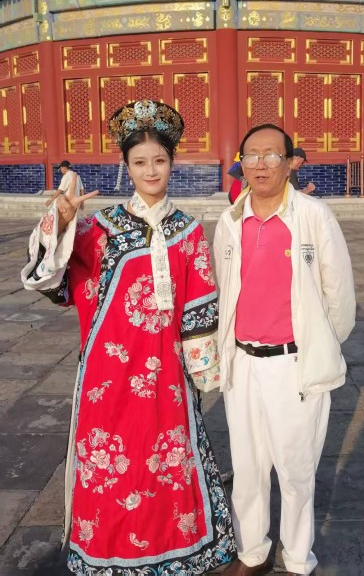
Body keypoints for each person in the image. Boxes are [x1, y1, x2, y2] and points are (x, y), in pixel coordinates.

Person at [21, 100, 236, 575]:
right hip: (108, 374)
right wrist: (61, 220)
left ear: (172, 163)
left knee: (166, 457)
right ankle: (106, 554)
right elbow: (51, 282)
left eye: (159, 160)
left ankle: (177, 548)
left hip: (167, 372)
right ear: (126, 166)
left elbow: (199, 306)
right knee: (111, 463)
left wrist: (204, 371)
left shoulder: (188, 232)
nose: (151, 170)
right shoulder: (100, 229)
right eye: (140, 162)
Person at [213, 123, 356, 576]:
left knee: (296, 472)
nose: (261, 164)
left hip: (293, 363)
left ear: (290, 162)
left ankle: (297, 559)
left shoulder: (313, 216)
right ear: (241, 164)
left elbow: (340, 297)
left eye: (271, 155)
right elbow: (224, 290)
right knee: (248, 468)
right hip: (243, 363)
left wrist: (316, 346)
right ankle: (252, 552)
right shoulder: (229, 221)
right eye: (251, 156)